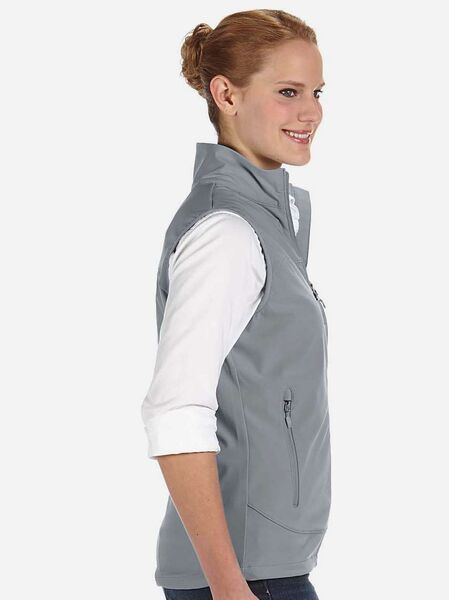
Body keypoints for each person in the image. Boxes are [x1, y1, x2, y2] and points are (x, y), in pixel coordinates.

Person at [141, 9, 330, 600]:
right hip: (245, 579)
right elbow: (174, 412)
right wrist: (228, 587)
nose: (311, 112)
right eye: (288, 92)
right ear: (226, 94)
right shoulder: (226, 231)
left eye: (317, 92)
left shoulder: (269, 220)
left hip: (268, 568)